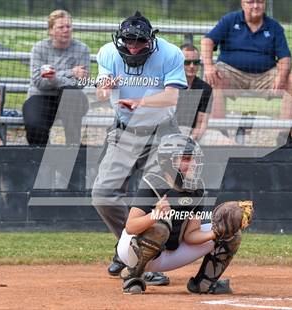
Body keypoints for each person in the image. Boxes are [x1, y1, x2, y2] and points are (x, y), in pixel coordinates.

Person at [91, 11, 187, 286]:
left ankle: (145, 261)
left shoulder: (170, 53)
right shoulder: (108, 53)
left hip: (161, 132)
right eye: (128, 43)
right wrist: (104, 88)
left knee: (152, 201)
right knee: (102, 194)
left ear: (150, 40)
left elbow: (172, 96)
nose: (133, 47)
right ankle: (129, 249)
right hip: (124, 131)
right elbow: (100, 92)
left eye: (139, 43)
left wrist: (140, 103)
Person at [117, 133, 253, 294]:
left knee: (232, 235)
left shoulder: (196, 189)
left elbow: (190, 235)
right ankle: (134, 276)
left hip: (170, 254)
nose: (194, 163)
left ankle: (203, 283)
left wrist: (216, 232)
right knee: (160, 226)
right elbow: (131, 227)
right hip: (132, 250)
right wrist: (155, 214)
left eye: (194, 158)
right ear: (168, 161)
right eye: (187, 159)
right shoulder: (152, 183)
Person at [201, 0, 292, 144]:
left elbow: (285, 57)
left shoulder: (274, 27)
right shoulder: (230, 20)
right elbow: (207, 41)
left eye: (260, 2)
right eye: (251, 2)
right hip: (232, 73)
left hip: (265, 75)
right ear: (243, 4)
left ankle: (284, 136)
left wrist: (282, 76)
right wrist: (209, 66)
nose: (256, 6)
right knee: (214, 75)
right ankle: (219, 131)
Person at [23, 9, 90, 145]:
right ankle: (41, 158)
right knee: (34, 126)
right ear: (51, 31)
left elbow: (80, 83)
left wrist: (53, 77)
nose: (66, 30)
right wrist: (71, 72)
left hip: (72, 100)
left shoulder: (82, 49)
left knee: (70, 92)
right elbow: (38, 82)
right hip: (41, 96)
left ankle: (73, 148)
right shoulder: (39, 48)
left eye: (68, 26)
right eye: (61, 27)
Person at [176, 43, 233, 145]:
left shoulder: (205, 88)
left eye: (196, 62)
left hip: (194, 134)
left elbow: (202, 122)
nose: (192, 66)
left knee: (228, 143)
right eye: (187, 62)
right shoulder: (170, 85)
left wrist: (192, 138)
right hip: (172, 132)